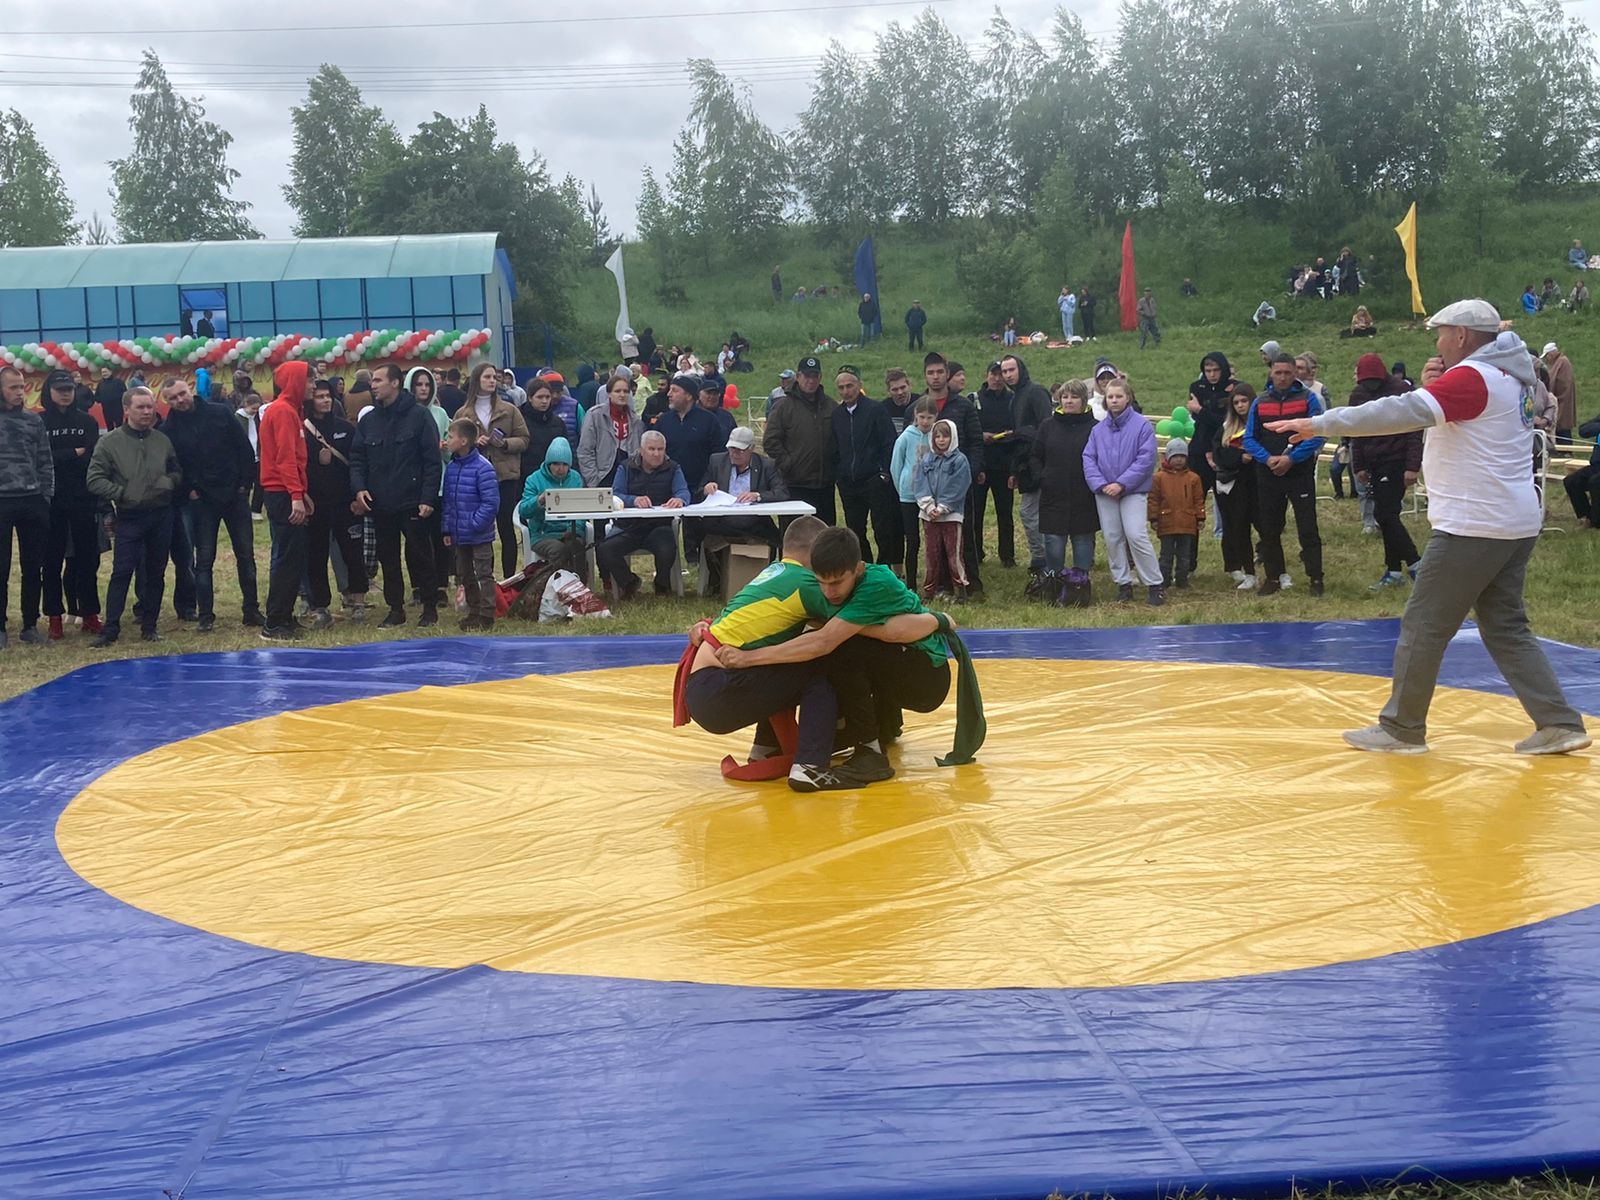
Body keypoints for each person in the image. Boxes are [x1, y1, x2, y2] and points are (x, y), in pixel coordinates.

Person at [1270, 298, 1590, 756]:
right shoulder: (1513, 376)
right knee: (1505, 626)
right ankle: (1558, 722)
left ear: (1461, 335)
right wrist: (1435, 390)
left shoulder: (1474, 377)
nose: (1437, 343)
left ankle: (1402, 727)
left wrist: (1319, 423)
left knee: (1423, 624)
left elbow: (1395, 412)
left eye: (1441, 333)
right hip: (1514, 519)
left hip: (1474, 523)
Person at [712, 525, 968, 770]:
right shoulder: (819, 585)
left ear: (858, 569)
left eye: (836, 583)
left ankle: (869, 750)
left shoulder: (875, 583)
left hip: (927, 680)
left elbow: (829, 641)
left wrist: (748, 658)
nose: (828, 592)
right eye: (821, 581)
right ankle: (773, 742)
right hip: (899, 668)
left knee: (839, 649)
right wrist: (709, 629)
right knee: (803, 641)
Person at [681, 517, 883, 793]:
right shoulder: (808, 583)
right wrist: (930, 621)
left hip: (704, 686)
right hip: (718, 687)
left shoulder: (773, 573)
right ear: (816, 555)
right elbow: (855, 624)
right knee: (819, 669)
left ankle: (765, 747)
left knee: (782, 660)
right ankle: (810, 767)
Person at [161, 374, 261, 632]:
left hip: (234, 496)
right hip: (202, 501)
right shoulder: (168, 430)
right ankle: (205, 617)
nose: (180, 400)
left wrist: (245, 484)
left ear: (190, 390)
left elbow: (244, 449)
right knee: (203, 560)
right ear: (167, 402)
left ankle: (251, 611)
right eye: (173, 398)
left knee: (246, 556)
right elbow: (173, 467)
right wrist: (188, 491)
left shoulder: (220, 412)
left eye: (182, 393)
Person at [85, 386, 180, 647]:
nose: (147, 412)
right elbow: (94, 480)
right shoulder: (109, 442)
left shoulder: (162, 440)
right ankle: (111, 629)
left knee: (156, 572)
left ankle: (150, 626)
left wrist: (169, 483)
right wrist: (123, 493)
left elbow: (175, 469)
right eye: (141, 407)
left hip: (161, 514)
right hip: (130, 516)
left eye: (150, 406)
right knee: (122, 572)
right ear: (126, 410)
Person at [351, 363, 444, 628]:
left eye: (379, 380)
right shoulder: (369, 420)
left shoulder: (419, 416)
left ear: (395, 383)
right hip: (381, 503)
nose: (374, 385)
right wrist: (359, 488)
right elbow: (357, 458)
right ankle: (395, 609)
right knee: (388, 558)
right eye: (373, 381)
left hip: (413, 502)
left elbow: (431, 461)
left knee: (421, 555)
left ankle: (429, 606)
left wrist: (428, 498)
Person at [1245, 355, 1325, 596]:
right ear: (1271, 373)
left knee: (1307, 526)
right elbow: (1249, 437)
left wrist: (1292, 458)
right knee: (1269, 528)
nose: (1282, 377)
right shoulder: (1260, 402)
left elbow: (1318, 434)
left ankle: (1316, 578)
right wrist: (1267, 458)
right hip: (1268, 472)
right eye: (1278, 372)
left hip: (1298, 472)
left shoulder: (1308, 399)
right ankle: (1273, 577)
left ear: (1295, 374)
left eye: (1287, 373)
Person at [1345, 353, 1424, 590]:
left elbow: (1414, 431)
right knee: (1387, 515)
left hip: (1396, 459)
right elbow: (1355, 431)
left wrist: (1412, 466)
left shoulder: (1401, 391)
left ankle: (1415, 563)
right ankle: (1394, 571)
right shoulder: (1357, 395)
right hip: (1372, 461)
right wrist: (1358, 465)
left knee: (1385, 513)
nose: (1370, 386)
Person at [1083, 379, 1163, 605]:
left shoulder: (1142, 426)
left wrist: (1121, 484)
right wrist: (1101, 485)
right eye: (1110, 397)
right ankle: (1123, 583)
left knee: (1136, 535)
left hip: (1133, 491)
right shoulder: (1097, 430)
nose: (1114, 400)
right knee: (1112, 537)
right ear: (1105, 400)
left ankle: (1155, 584)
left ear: (1127, 397)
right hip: (1104, 492)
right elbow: (1089, 459)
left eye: (1118, 396)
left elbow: (1145, 460)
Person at [40, 368, 102, 639]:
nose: (65, 394)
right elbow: (40, 459)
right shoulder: (39, 422)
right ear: (49, 392)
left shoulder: (87, 421)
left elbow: (91, 456)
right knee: (51, 561)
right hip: (50, 501)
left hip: (83, 498)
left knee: (88, 559)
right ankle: (54, 616)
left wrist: (61, 456)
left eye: (69, 390)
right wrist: (70, 453)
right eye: (59, 390)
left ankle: (90, 614)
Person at [917, 353, 985, 593]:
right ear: (925, 375)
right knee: (935, 540)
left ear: (947, 373)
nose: (935, 377)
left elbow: (976, 442)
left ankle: (970, 584)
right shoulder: (919, 407)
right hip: (931, 485)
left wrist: (971, 472)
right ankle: (940, 585)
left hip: (959, 482)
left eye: (939, 372)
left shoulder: (963, 406)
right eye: (930, 373)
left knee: (964, 534)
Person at [303, 377, 368, 625]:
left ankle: (358, 601)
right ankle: (320, 606)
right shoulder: (302, 431)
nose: (325, 400)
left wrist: (357, 496)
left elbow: (358, 464)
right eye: (319, 396)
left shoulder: (347, 428)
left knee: (353, 553)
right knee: (316, 556)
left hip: (345, 503)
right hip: (316, 504)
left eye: (328, 396)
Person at [257, 361, 313, 641]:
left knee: (293, 557)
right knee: (287, 558)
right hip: (281, 494)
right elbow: (285, 458)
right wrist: (295, 495)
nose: (314, 386)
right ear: (296, 382)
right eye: (310, 381)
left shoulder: (291, 411)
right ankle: (275, 621)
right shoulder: (282, 412)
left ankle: (284, 616)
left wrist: (302, 492)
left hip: (287, 492)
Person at [458, 362, 529, 579]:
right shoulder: (463, 413)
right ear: (476, 380)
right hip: (475, 478)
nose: (492, 381)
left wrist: (504, 443)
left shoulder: (509, 410)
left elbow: (524, 439)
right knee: (481, 531)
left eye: (494, 377)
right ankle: (484, 578)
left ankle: (508, 578)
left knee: (506, 528)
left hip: (505, 475)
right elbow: (455, 443)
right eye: (487, 377)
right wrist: (472, 443)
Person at [596, 430, 687, 599]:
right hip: (629, 526)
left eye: (660, 449)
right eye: (652, 449)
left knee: (667, 547)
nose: (656, 453)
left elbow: (683, 491)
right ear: (641, 450)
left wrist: (680, 499)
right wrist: (633, 500)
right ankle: (629, 582)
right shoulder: (626, 467)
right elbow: (615, 494)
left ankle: (662, 584)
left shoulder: (673, 468)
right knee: (604, 548)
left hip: (659, 526)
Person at [0, 365, 53, 648]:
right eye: (13, 387)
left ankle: (30, 624)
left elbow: (45, 460)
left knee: (34, 566)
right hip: (2, 502)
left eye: (22, 387)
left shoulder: (33, 421)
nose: (20, 392)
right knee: (1, 567)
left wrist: (45, 495)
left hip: (32, 500)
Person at [1032, 380, 1099, 594]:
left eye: (1074, 397)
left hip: (1084, 494)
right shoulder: (1047, 426)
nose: (1069, 401)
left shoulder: (1095, 427)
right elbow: (1035, 456)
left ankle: (1079, 584)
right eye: (1065, 397)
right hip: (1053, 493)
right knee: (1053, 540)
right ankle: (1053, 583)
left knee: (1083, 538)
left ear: (1083, 400)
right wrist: (1042, 477)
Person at [830, 367, 899, 570]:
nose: (845, 391)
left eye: (849, 386)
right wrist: (839, 475)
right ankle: (865, 568)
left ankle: (884, 569)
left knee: (882, 528)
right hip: (849, 483)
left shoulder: (875, 410)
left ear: (859, 386)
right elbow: (834, 447)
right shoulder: (837, 415)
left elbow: (888, 442)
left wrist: (884, 473)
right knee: (855, 530)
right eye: (841, 387)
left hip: (874, 479)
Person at [440, 417, 500, 631]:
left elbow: (491, 502)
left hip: (478, 532)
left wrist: (475, 523)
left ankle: (486, 613)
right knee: (464, 573)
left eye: (450, 436)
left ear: (464, 440)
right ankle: (473, 610)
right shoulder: (453, 467)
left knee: (483, 572)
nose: (447, 440)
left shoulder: (483, 468)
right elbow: (448, 501)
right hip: (459, 532)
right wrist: (447, 527)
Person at [761, 356, 837, 524]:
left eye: (814, 376)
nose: (810, 380)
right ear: (798, 376)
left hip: (824, 486)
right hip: (794, 485)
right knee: (794, 539)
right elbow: (770, 441)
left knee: (824, 537)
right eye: (806, 376)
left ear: (820, 377)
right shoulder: (783, 406)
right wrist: (789, 463)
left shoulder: (831, 406)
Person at [1001, 353, 1053, 574]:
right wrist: (1014, 470)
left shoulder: (1036, 391)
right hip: (1024, 464)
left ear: (1021, 369)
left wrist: (1019, 433)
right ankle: (1041, 557)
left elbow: (1046, 426)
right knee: (1032, 513)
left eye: (1011, 370)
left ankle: (1043, 559)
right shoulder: (1015, 398)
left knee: (1031, 512)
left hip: (1041, 462)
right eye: (1004, 371)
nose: (1008, 375)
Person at [913, 417, 971, 600]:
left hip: (951, 516)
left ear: (952, 437)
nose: (941, 440)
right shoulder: (927, 459)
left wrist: (943, 507)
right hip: (929, 516)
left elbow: (959, 486)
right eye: (937, 436)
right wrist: (929, 506)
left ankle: (961, 590)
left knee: (954, 555)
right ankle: (929, 591)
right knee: (931, 555)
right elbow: (919, 483)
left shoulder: (959, 460)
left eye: (945, 436)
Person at [1209, 383, 1259, 590]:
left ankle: (1277, 571)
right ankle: (1245, 570)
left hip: (1258, 483)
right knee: (1235, 527)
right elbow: (1218, 454)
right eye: (1236, 402)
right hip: (1232, 484)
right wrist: (1240, 457)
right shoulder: (1227, 427)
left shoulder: (1261, 424)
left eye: (1244, 401)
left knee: (1266, 527)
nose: (1240, 405)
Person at [971, 362, 1015, 569]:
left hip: (1004, 462)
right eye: (993, 374)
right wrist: (982, 437)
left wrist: (1009, 435)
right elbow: (969, 430)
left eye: (1001, 375)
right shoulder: (974, 400)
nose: (997, 379)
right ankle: (976, 553)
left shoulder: (1012, 399)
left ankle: (1007, 555)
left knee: (1005, 512)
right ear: (986, 376)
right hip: (981, 463)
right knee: (976, 512)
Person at [890, 396, 936, 590]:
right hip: (908, 495)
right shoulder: (906, 437)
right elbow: (895, 465)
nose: (925, 421)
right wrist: (902, 488)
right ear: (915, 416)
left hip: (931, 494)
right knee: (913, 540)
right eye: (922, 417)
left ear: (935, 418)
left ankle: (934, 581)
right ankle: (910, 584)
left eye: (929, 417)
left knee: (932, 539)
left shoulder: (937, 436)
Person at [1148, 437, 1204, 589]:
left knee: (1184, 555)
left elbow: (1198, 499)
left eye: (1182, 456)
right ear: (1168, 457)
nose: (1179, 460)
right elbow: (1153, 499)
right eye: (1175, 456)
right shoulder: (1158, 478)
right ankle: (1164, 579)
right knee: (1166, 555)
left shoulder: (1193, 478)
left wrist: (1200, 517)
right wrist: (1153, 518)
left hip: (1187, 523)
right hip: (1166, 522)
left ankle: (1182, 580)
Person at [577, 369, 641, 488]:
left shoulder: (636, 420)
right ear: (609, 393)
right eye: (617, 391)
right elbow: (585, 451)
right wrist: (593, 481)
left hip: (629, 481)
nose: (622, 395)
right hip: (602, 478)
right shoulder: (594, 415)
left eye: (626, 391)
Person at [1563, 414, 1600, 527]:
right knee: (1571, 481)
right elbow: (1583, 431)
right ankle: (1588, 516)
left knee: (1595, 482)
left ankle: (1596, 522)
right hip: (1597, 465)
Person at [1542, 341, 1577, 442]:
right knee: (1561, 427)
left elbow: (1563, 383)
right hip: (1560, 401)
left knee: (1563, 426)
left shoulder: (1563, 362)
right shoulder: (1560, 362)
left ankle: (1566, 450)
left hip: (1563, 402)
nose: (1547, 359)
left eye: (1547, 356)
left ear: (1551, 354)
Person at [696, 373, 737, 446]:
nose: (712, 397)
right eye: (708, 393)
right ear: (699, 394)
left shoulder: (727, 416)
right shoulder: (691, 414)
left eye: (715, 394)